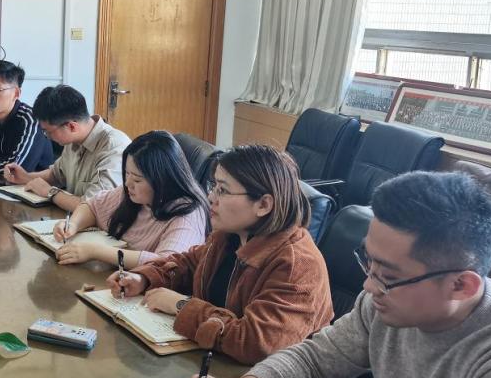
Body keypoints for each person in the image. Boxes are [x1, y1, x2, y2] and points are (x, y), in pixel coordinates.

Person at [176, 171, 491, 378]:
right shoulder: (382, 301)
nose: (369, 285)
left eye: (387, 276)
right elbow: (316, 360)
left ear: (461, 285)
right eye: (368, 261)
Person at [108, 144, 332, 365]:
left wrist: (182, 306)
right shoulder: (229, 235)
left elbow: (256, 343)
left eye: (223, 190)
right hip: (213, 362)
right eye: (213, 186)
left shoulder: (298, 264)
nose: (210, 197)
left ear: (263, 204)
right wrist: (143, 278)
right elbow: (187, 264)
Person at [52, 131, 208, 268]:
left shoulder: (188, 214)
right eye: (127, 174)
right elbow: (93, 206)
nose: (127, 184)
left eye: (137, 179)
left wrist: (95, 251)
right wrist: (73, 224)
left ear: (163, 179)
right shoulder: (132, 193)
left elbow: (167, 263)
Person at [2, 84, 131, 213]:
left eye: (48, 131)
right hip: (72, 219)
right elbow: (56, 175)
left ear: (71, 127)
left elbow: (93, 207)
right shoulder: (74, 139)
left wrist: (50, 192)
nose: (47, 137)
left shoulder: (114, 148)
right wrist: (25, 177)